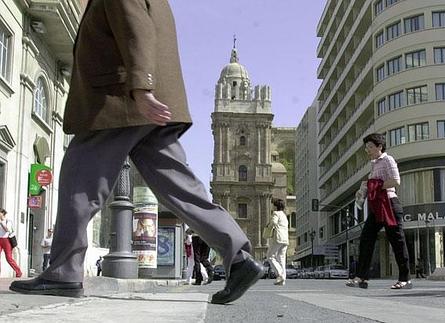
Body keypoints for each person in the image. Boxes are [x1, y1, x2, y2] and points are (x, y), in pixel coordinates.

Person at [10, 0, 264, 304]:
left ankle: (63, 271)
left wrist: (141, 88)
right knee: (180, 187)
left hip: (119, 100)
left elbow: (135, 26)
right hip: (151, 103)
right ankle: (238, 257)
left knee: (80, 179)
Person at [346, 133, 411, 289]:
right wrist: (364, 190)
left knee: (397, 241)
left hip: (389, 203)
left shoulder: (388, 159)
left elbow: (396, 181)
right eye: (366, 148)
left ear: (379, 147)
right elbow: (372, 185)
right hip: (376, 206)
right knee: (366, 239)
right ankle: (362, 277)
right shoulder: (374, 164)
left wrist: (375, 185)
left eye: (370, 147)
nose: (367, 151)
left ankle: (405, 278)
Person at [265, 199, 290, 286]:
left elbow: (274, 222)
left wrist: (269, 225)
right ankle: (283, 279)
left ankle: (279, 274)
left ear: (276, 206)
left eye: (273, 205)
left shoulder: (276, 213)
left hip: (278, 238)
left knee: (270, 256)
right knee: (281, 258)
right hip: (285, 239)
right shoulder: (284, 215)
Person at [0, 208, 22, 278]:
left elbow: (7, 230)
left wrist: (1, 223)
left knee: (9, 258)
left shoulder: (8, 221)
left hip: (6, 240)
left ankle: (18, 272)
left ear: (3, 213)